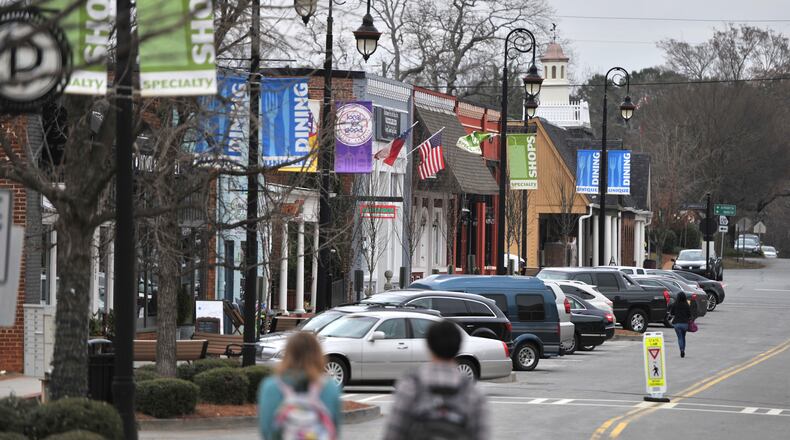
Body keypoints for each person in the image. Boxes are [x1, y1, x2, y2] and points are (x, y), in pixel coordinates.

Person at [383, 320, 489, 440]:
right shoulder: (473, 392)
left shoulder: (411, 385)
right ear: (459, 347)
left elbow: (393, 433)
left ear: (428, 346)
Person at [258, 331, 342, 440]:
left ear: (287, 353)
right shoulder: (329, 386)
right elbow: (334, 429)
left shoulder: (271, 386)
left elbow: (267, 429)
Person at [670, 292, 698, 358]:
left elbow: (672, 313)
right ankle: (683, 350)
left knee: (680, 337)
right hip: (685, 324)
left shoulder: (675, 304)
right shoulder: (686, 305)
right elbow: (689, 314)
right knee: (683, 337)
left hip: (677, 324)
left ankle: (681, 350)